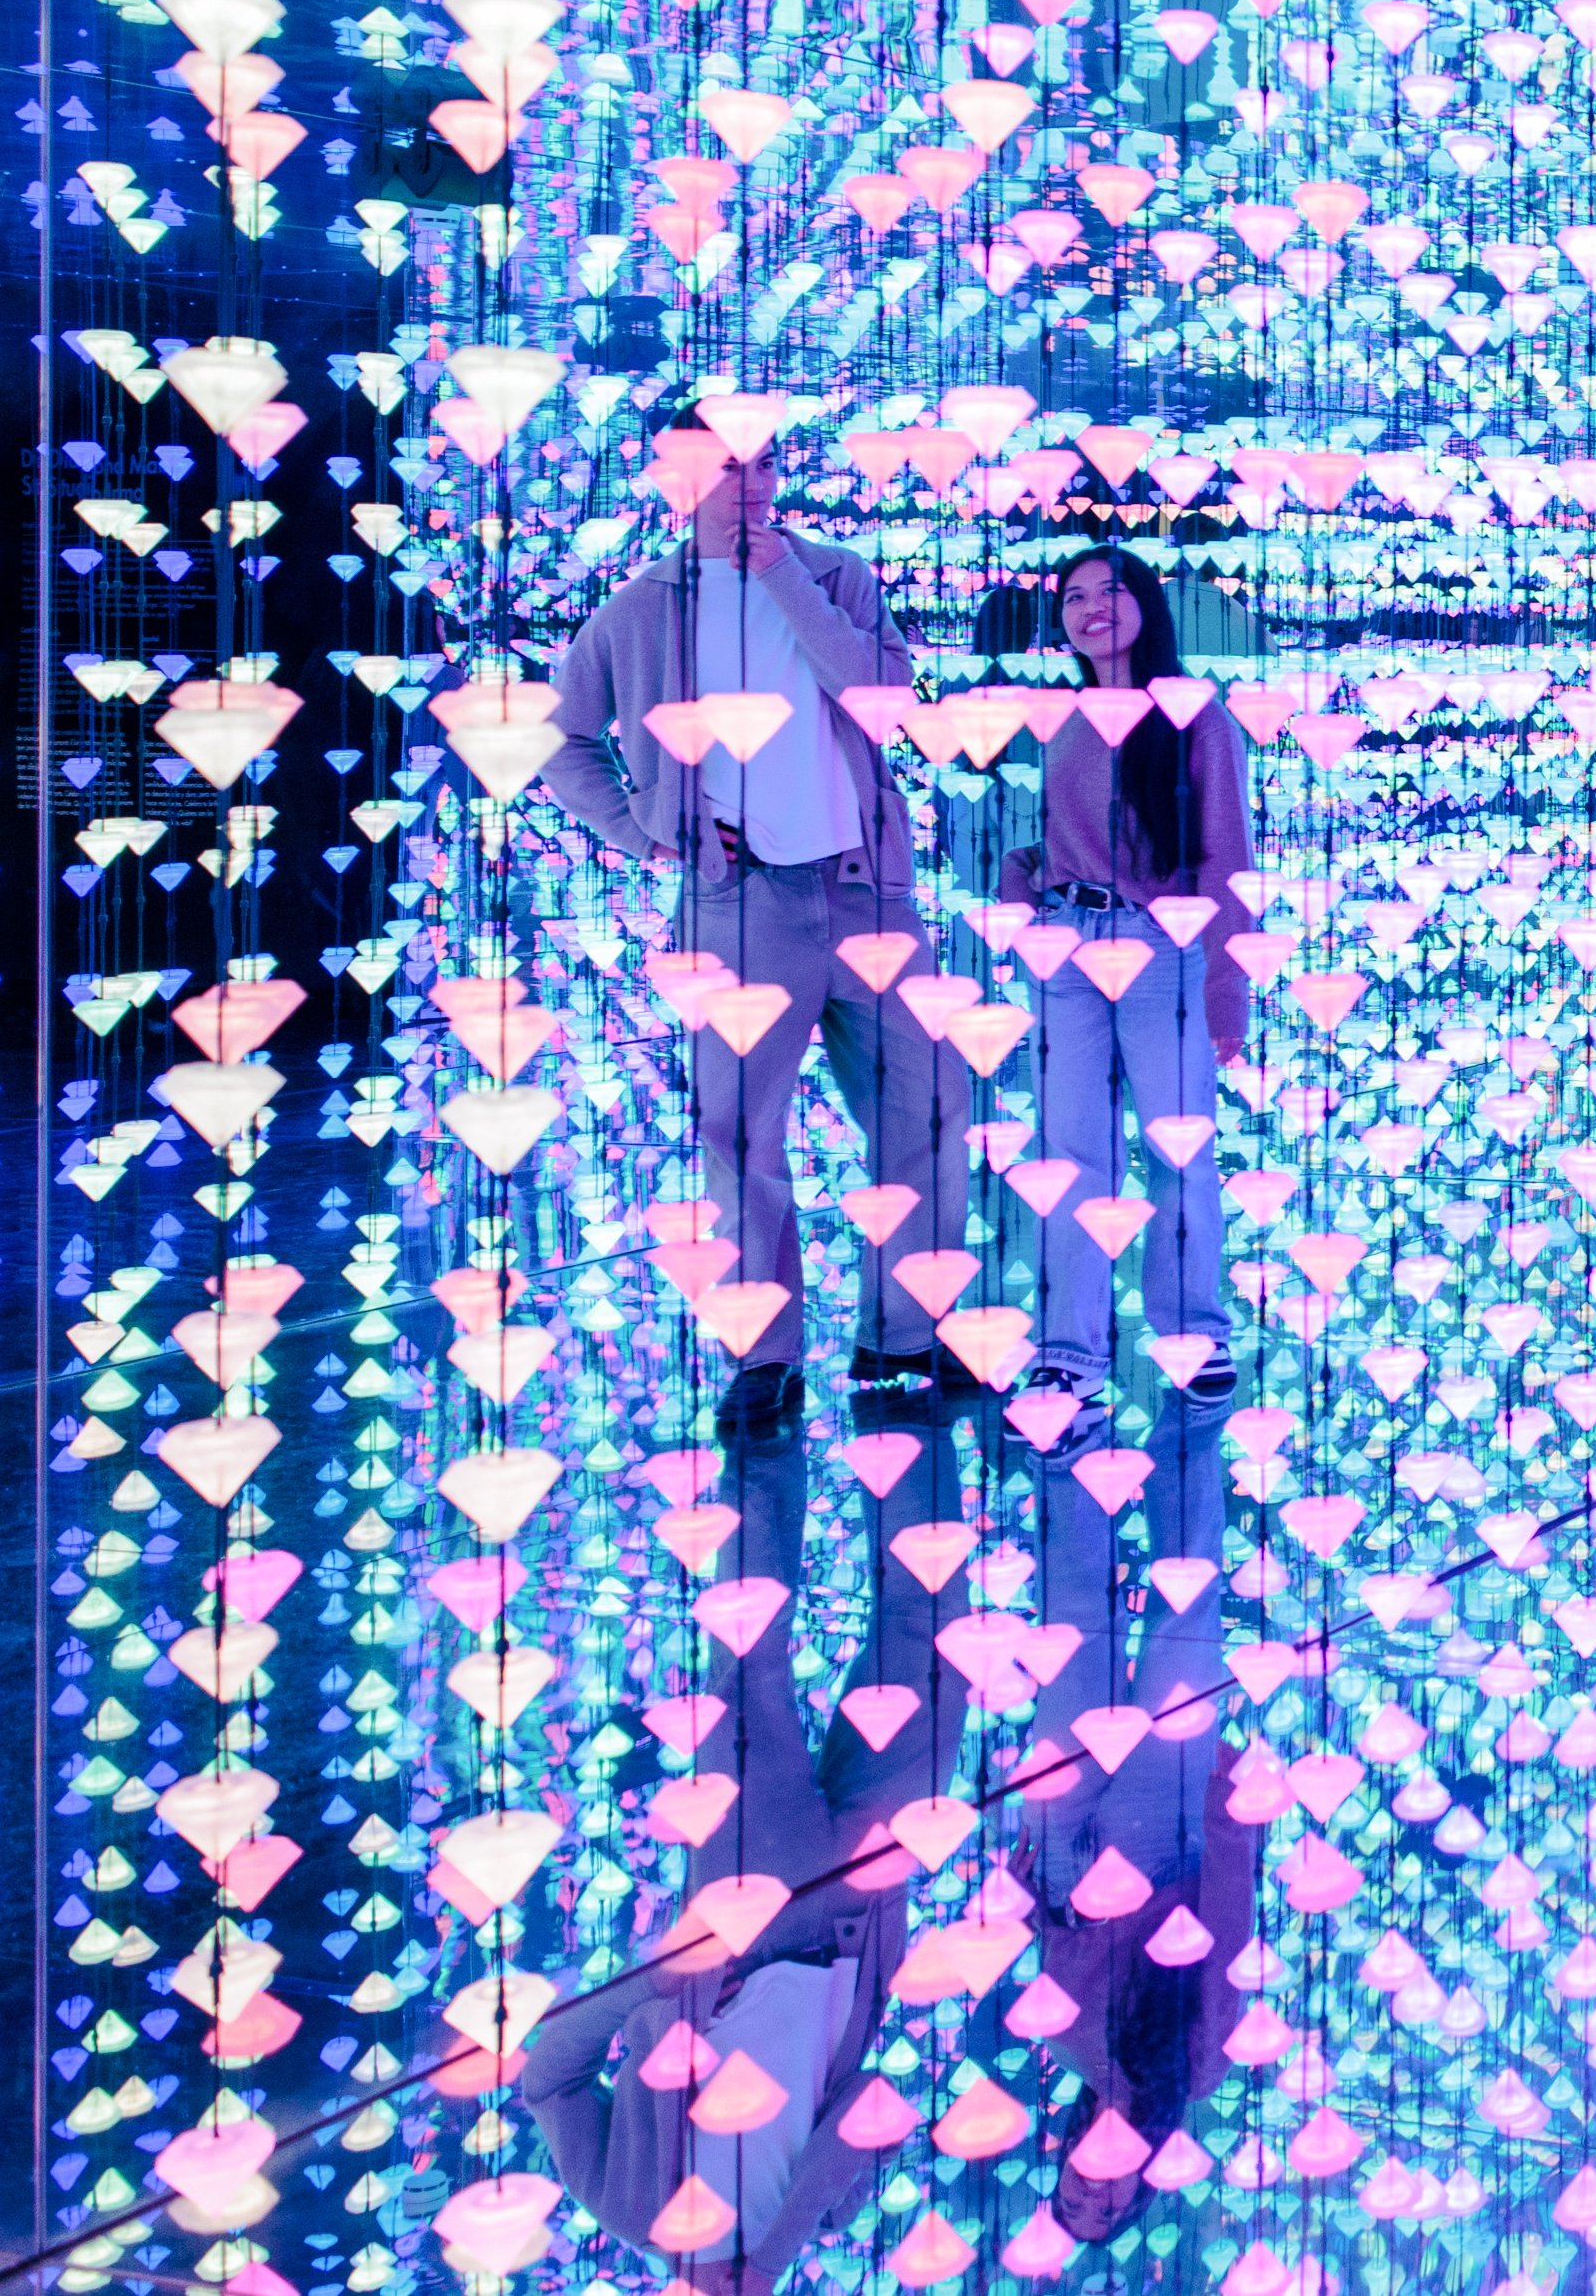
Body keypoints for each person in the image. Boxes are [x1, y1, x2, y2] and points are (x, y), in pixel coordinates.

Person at [545, 407, 962, 1434]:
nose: (748, 479)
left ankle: (903, 1335)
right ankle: (765, 1354)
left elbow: (883, 697)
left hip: (869, 890)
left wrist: (780, 570)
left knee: (931, 1105)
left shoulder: (834, 573)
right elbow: (560, 739)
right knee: (738, 1134)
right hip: (737, 906)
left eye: (762, 460)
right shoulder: (641, 608)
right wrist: (651, 832)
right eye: (721, 464)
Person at [515, 1368, 966, 2285]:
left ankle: (763, 1436)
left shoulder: (630, 2209)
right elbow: (875, 2105)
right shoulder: (822, 2219)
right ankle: (903, 1404)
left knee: (751, 1666)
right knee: (930, 1655)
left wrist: (669, 1973)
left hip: (744, 1926)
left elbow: (548, 2074)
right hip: (859, 1925)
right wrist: (772, 2258)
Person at [1001, 544, 1254, 1432]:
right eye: (1074, 596)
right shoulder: (1063, 715)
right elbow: (1069, 836)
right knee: (1072, 1160)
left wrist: (1230, 986)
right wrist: (1020, 868)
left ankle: (1194, 1331)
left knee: (1178, 1150)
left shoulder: (1194, 717)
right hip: (1066, 950)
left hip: (1162, 950)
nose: (1092, 607)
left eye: (1111, 590)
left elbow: (1226, 857)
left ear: (1147, 603)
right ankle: (1068, 1356)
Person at [1013, 1399, 1261, 2241]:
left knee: (1072, 1627)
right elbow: (1227, 1932)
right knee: (1182, 1615)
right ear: (1144, 2186)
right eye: (1105, 2205)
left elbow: (1063, 1947)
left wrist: (1029, 1897)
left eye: (1069, 2196)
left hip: (1060, 1848)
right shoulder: (1196, 2068)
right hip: (1158, 1839)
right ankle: (1190, 1422)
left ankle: (1065, 1441)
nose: (1089, 2188)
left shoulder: (1066, 2051)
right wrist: (1232, 1815)